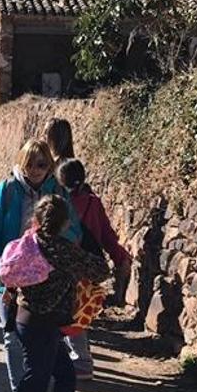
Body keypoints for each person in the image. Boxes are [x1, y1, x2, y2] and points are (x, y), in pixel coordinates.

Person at [0, 194, 110, 392]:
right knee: (36, 379)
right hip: (45, 325)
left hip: (27, 319)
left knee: (64, 374)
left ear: (36, 219)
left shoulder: (30, 242)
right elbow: (100, 271)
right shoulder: (64, 250)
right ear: (65, 222)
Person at [0, 139, 82, 392]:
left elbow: (72, 229)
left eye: (42, 164)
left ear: (49, 165)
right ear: (21, 162)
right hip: (11, 277)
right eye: (30, 163)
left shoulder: (57, 192)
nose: (35, 170)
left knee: (48, 338)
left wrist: (59, 257)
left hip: (46, 280)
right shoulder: (8, 190)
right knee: (11, 335)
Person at [57, 158, 132, 380]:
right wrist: (119, 257)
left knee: (64, 311)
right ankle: (79, 358)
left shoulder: (60, 203)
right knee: (78, 310)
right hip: (89, 264)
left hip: (65, 263)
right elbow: (107, 234)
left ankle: (81, 360)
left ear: (60, 180)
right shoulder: (92, 202)